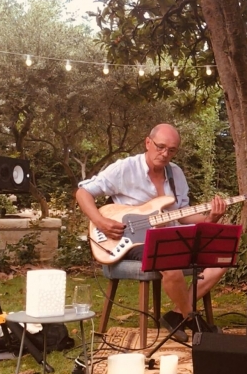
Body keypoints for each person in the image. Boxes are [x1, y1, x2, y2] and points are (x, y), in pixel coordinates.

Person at [76, 123, 228, 343]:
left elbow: (182, 215)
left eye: (172, 150)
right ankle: (193, 321)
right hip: (129, 239)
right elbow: (83, 193)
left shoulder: (176, 173)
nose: (165, 154)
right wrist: (101, 222)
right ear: (148, 142)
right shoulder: (124, 168)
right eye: (160, 147)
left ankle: (176, 315)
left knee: (221, 258)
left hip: (169, 237)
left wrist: (210, 218)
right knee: (170, 261)